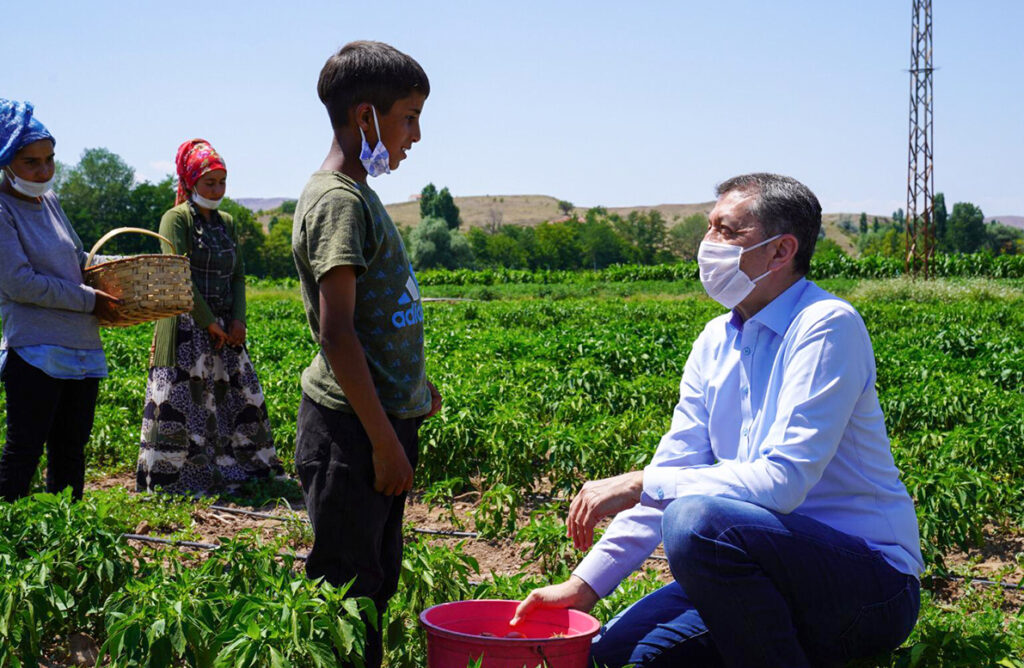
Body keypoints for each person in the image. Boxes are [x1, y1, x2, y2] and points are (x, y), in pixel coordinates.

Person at [513, 173, 924, 667]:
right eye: (710, 227)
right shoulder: (715, 340)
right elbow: (674, 470)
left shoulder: (825, 326)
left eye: (727, 231)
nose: (709, 243)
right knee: (615, 656)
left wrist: (641, 482)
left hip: (868, 587)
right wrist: (583, 587)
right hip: (765, 569)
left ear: (781, 250)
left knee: (697, 521)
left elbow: (783, 482)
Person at [291, 41, 442, 668]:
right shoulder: (338, 202)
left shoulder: (357, 194)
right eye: (408, 117)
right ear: (365, 117)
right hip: (351, 432)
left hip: (377, 420)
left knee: (375, 578)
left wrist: (413, 388)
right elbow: (338, 334)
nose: (414, 135)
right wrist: (382, 440)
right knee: (347, 590)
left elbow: (378, 318)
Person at [135, 138, 283, 495]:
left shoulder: (226, 222)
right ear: (190, 182)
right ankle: (174, 480)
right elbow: (178, 273)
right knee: (183, 403)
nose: (217, 190)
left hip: (224, 326)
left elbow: (238, 275)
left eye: (222, 182)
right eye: (209, 183)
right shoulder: (176, 219)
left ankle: (238, 471)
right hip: (186, 326)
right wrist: (208, 322)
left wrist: (238, 320)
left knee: (237, 399)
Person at [0, 99, 121, 501]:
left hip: (81, 346)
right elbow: (20, 284)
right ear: (5, 162)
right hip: (36, 350)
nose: (44, 171)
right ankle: (10, 531)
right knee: (24, 451)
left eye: (49, 159)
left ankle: (67, 528)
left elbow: (78, 257)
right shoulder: (2, 210)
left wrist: (125, 267)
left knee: (70, 449)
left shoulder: (49, 200)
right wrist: (89, 301)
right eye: (31, 162)